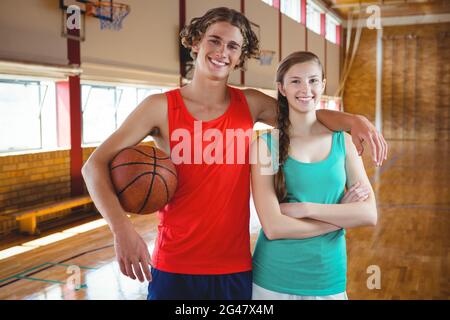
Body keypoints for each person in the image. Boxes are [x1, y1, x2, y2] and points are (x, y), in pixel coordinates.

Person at [81, 7, 387, 300]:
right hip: (175, 264)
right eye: (214, 40)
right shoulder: (159, 107)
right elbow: (94, 166)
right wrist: (122, 229)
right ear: (196, 41)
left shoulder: (250, 104)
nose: (222, 51)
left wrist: (352, 121)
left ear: (240, 56)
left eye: (233, 46)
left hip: (234, 268)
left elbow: (306, 116)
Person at [250, 51, 378, 300]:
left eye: (313, 80)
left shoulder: (345, 143)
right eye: (295, 81)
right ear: (282, 88)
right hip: (273, 277)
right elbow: (274, 227)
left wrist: (305, 208)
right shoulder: (264, 146)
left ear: (323, 85)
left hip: (328, 277)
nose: (305, 89)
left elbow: (369, 214)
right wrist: (340, 216)